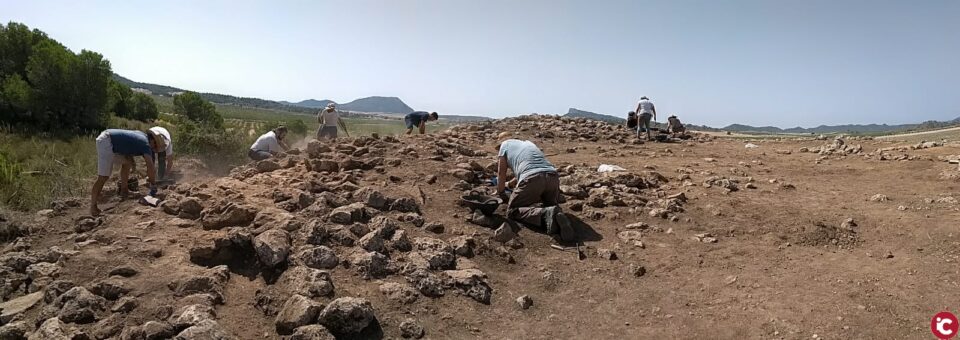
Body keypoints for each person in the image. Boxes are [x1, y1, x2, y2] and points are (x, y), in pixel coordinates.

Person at [496, 139, 575, 242]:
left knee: (512, 211)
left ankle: (545, 214)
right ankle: (556, 215)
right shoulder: (528, 143)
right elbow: (533, 166)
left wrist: (500, 191)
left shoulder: (504, 145)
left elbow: (501, 172)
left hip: (532, 179)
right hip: (552, 176)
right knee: (549, 205)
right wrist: (511, 183)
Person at [90, 129, 167, 216]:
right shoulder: (146, 144)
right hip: (107, 141)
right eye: (155, 146)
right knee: (103, 177)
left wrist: (133, 162)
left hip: (109, 138)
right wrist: (153, 184)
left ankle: (124, 190)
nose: (154, 149)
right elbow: (150, 166)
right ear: (152, 140)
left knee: (127, 162)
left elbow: (128, 145)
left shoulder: (142, 136)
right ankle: (93, 207)